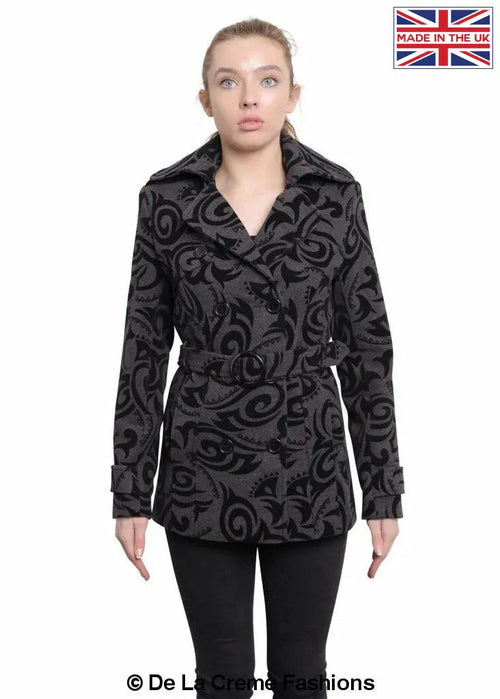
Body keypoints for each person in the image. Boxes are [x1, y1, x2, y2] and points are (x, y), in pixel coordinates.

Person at [110, 17, 405, 699]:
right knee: (221, 677)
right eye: (229, 81)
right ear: (205, 99)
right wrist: (130, 489)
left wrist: (383, 487)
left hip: (310, 459)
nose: (249, 96)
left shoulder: (335, 196)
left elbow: (367, 347)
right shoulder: (167, 199)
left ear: (291, 95)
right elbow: (143, 349)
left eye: (267, 80)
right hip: (201, 465)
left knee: (302, 674)